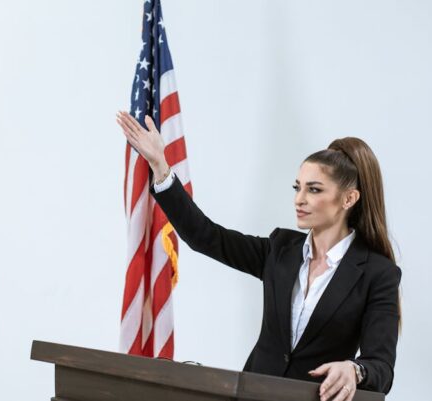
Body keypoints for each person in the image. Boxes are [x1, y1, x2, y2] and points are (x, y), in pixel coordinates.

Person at [116, 112, 402, 401]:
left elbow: (381, 368)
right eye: (297, 187)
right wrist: (160, 167)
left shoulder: (377, 273)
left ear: (348, 199)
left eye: (313, 190)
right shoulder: (280, 250)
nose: (299, 199)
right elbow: (205, 236)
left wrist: (355, 370)